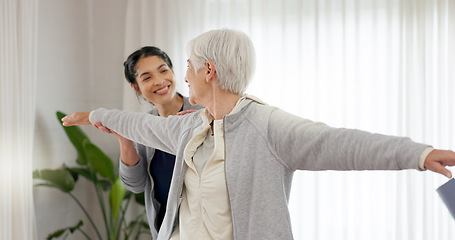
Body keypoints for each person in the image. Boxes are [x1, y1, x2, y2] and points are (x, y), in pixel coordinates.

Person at [62, 29, 455, 240]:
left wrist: (417, 155)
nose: (181, 77)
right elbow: (140, 124)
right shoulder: (190, 126)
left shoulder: (267, 126)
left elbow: (342, 143)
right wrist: (98, 115)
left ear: (209, 71)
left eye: (187, 67)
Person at [106, 46, 201, 239]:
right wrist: (125, 141)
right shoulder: (143, 126)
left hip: (204, 227)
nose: (159, 81)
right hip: (167, 229)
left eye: (163, 70)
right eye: (147, 77)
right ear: (135, 87)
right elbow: (136, 185)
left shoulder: (203, 114)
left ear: (173, 72)